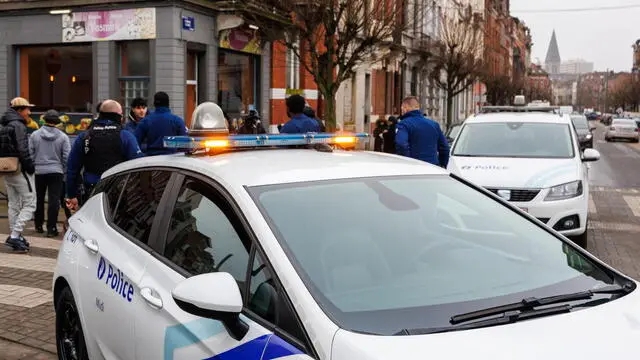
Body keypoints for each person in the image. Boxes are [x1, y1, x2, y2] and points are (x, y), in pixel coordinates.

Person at [66, 99, 143, 211]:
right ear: (117, 116)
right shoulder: (125, 136)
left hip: (92, 191)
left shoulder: (85, 136)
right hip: (118, 192)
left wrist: (71, 194)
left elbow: (72, 168)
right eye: (121, 114)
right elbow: (138, 165)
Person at [0, 97, 37, 251]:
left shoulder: (4, 125)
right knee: (31, 203)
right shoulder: (18, 125)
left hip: (6, 169)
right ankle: (15, 235)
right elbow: (23, 149)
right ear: (19, 110)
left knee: (14, 203)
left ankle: (16, 235)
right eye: (27, 109)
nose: (29, 112)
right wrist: (30, 167)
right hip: (20, 169)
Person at [29, 109, 71, 237]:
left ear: (44, 120)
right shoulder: (63, 136)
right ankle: (51, 228)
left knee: (39, 199)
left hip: (39, 171)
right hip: (56, 171)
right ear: (57, 122)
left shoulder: (34, 135)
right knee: (54, 200)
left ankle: (38, 225)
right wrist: (63, 169)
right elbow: (67, 156)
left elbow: (30, 154)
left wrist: (34, 165)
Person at [395, 96, 450, 167]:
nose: (402, 111)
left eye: (402, 109)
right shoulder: (434, 124)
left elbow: (401, 144)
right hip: (433, 168)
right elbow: (444, 148)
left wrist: (407, 164)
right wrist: (442, 166)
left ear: (405, 108)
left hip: (414, 168)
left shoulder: (403, 124)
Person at [134, 92, 187, 156]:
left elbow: (135, 143)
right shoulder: (177, 121)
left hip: (151, 159)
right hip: (172, 160)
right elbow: (184, 146)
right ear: (168, 104)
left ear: (154, 104)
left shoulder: (145, 121)